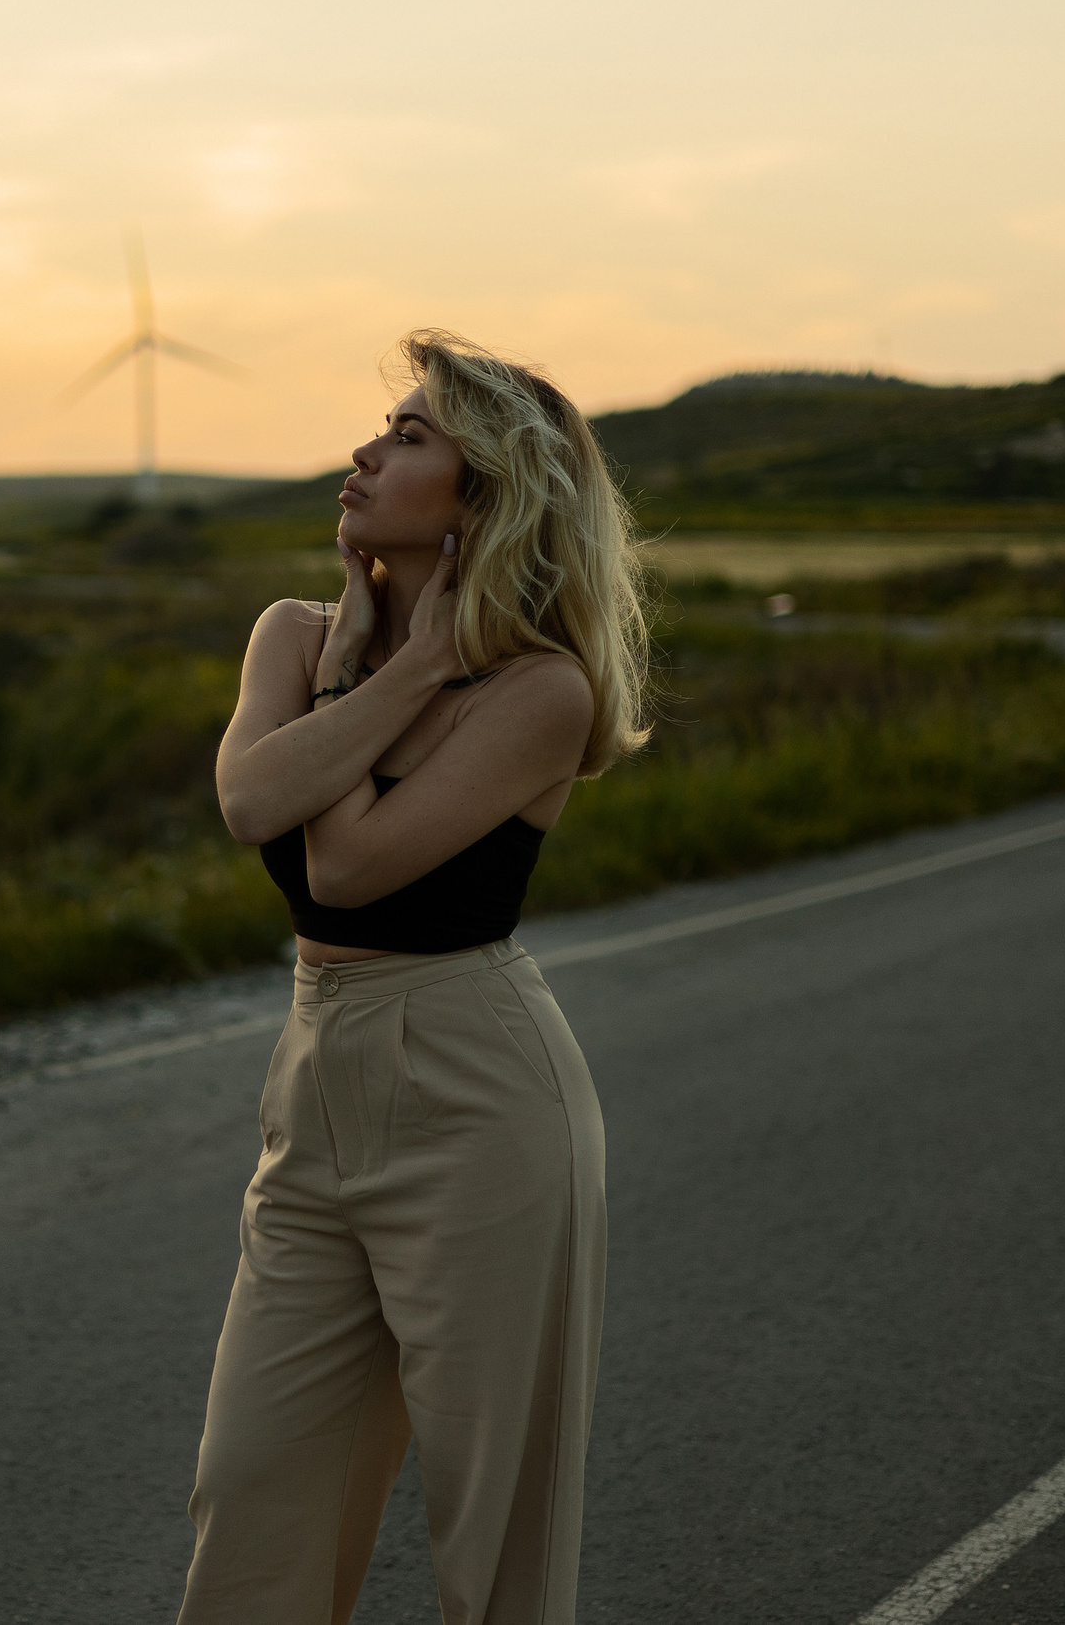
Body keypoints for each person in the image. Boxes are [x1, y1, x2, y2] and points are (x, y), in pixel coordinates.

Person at [178, 329, 650, 1625]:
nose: (364, 454)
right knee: (251, 1490)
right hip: (314, 1083)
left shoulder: (540, 692)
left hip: (479, 1094)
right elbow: (250, 798)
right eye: (379, 428)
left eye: (409, 437)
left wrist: (425, 662)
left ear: (484, 498)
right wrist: (367, 659)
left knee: (496, 1530)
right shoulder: (292, 634)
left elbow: (348, 865)